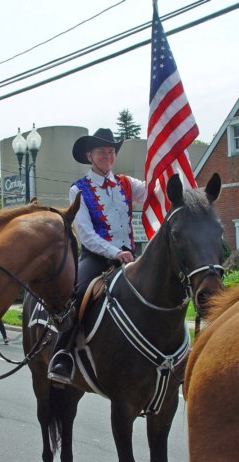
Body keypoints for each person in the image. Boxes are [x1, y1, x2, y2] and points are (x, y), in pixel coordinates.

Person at [48, 128, 146, 384]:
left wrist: (170, 170)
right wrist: (115, 252)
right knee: (77, 294)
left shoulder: (126, 183)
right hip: (97, 258)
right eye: (102, 151)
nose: (108, 156)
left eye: (112, 151)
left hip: (130, 259)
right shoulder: (79, 190)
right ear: (90, 155)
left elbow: (154, 192)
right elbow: (86, 234)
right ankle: (63, 354)